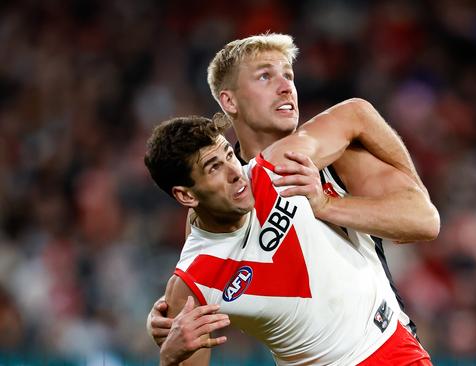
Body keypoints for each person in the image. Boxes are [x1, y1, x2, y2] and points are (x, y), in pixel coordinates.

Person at [147, 32, 439, 348]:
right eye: (265, 77)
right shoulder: (226, 192)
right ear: (229, 101)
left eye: (289, 76)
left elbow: (424, 220)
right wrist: (168, 314)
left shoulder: (336, 155)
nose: (286, 87)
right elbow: (207, 276)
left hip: (384, 346)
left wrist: (327, 205)